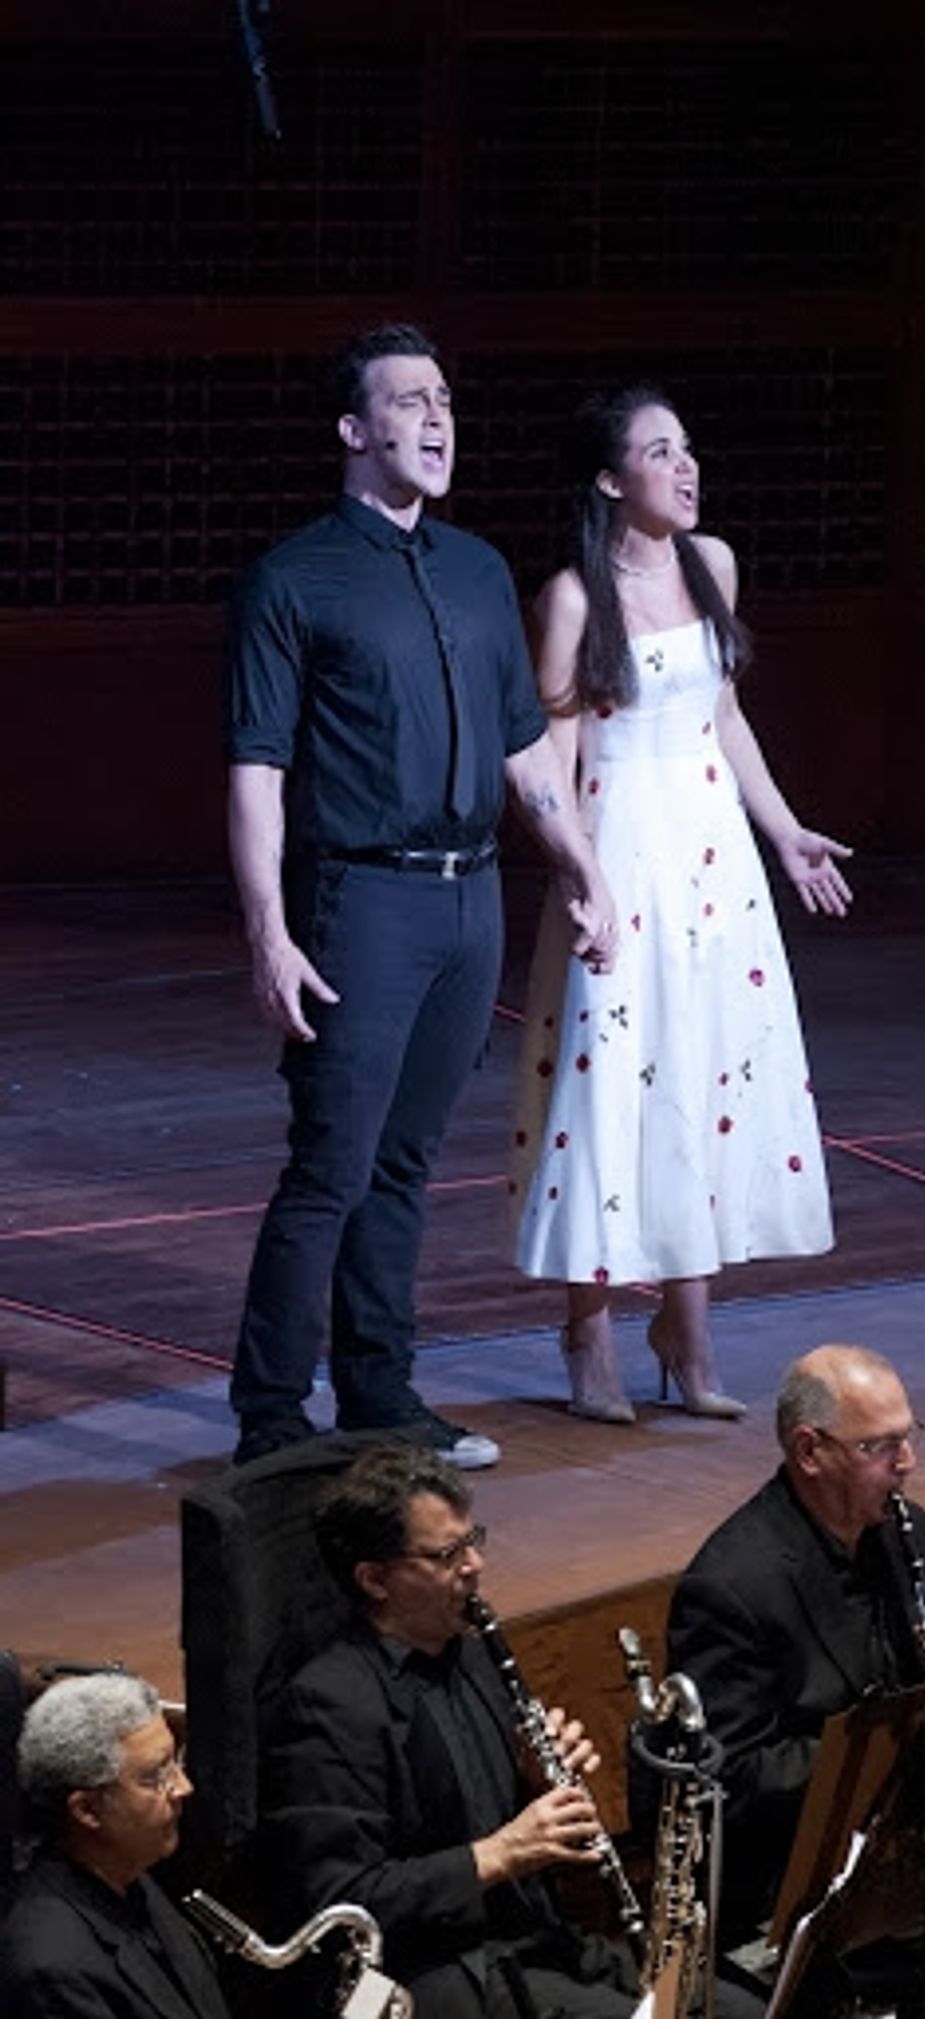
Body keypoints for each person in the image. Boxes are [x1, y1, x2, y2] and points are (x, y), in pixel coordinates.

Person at [225, 323, 616, 1467]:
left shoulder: (478, 571)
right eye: (408, 400)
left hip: (469, 901)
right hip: (362, 902)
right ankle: (269, 1421)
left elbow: (523, 752)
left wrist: (583, 871)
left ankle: (381, 1397)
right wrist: (269, 931)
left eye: (444, 396)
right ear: (355, 431)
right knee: (332, 1165)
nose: (437, 418)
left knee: (403, 1164)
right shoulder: (295, 577)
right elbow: (256, 769)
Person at [508, 385, 852, 1424]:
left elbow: (724, 718)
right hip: (622, 856)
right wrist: (581, 877)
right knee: (607, 1085)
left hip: (712, 863)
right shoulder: (572, 597)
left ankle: (687, 1331)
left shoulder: (715, 564)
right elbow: (554, 757)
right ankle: (588, 1331)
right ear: (613, 478)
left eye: (688, 447)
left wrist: (782, 829)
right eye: (661, 452)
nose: (686, 466)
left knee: (703, 1074)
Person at [259, 1442, 761, 2019]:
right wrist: (499, 1853)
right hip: (436, 1976)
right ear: (375, 1579)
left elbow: (493, 1810)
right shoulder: (329, 1703)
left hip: (530, 1943)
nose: (474, 1566)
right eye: (447, 1554)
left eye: (473, 1541)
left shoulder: (473, 1653)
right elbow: (339, 1902)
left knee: (738, 2009)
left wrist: (534, 1780)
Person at [666, 1344, 925, 2017]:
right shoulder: (732, 1585)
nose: (907, 1461)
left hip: (908, 1851)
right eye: (880, 1445)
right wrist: (888, 1736)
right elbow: (731, 1780)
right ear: (810, 1451)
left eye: (909, 1435)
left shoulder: (909, 1533)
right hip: (805, 1884)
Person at [0, 1673, 232, 2019]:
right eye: (156, 1777)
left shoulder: (131, 1875)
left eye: (175, 1762)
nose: (183, 1787)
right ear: (87, 1810)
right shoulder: (51, 1973)